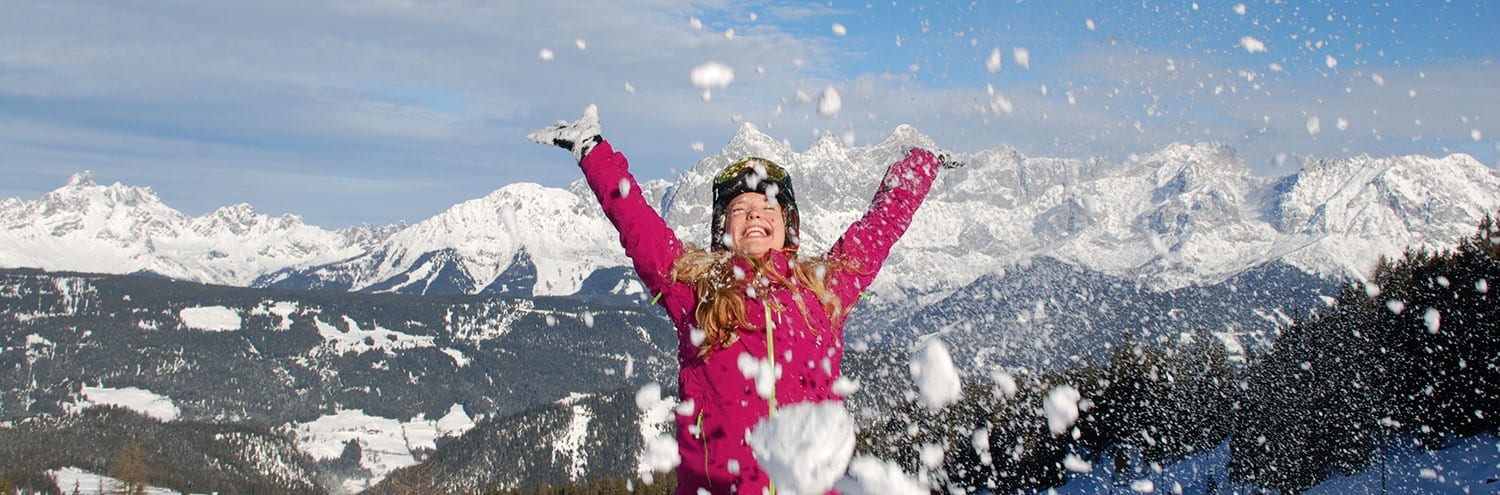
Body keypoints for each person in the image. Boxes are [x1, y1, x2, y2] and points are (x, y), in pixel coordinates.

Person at [528, 105, 954, 494]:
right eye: (740, 207)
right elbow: (638, 224)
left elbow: (875, 233)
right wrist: (592, 150)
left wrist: (920, 167)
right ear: (722, 230)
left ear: (788, 228)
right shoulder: (694, 291)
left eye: (768, 207)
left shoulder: (821, 292)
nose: (754, 213)